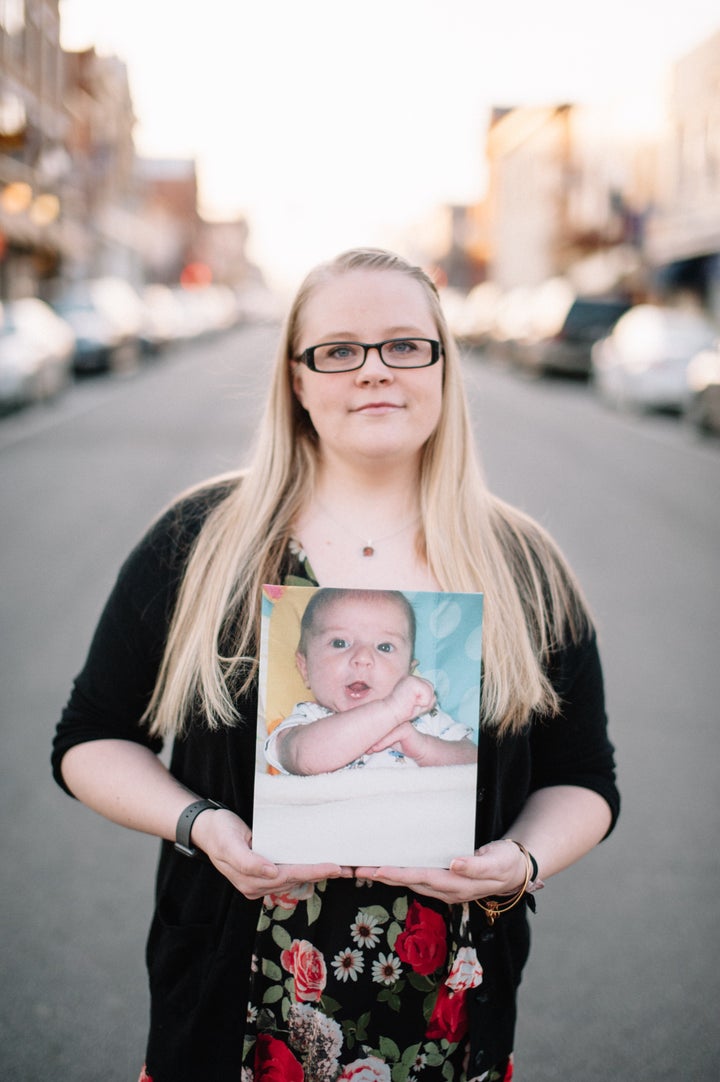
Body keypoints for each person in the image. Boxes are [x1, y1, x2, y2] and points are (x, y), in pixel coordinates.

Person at [52, 247, 619, 1082]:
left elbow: (582, 781)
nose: (374, 372)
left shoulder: (522, 564)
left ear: (442, 365)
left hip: (447, 1019)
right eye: (339, 350)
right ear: (298, 378)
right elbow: (90, 739)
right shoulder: (202, 540)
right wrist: (201, 826)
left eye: (404, 345)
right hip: (229, 1012)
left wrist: (522, 862)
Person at [264, 586, 477, 774]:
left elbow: (473, 762)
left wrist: (425, 749)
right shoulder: (306, 720)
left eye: (384, 647)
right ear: (305, 669)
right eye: (340, 643)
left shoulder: (425, 717)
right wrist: (391, 710)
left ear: (409, 673)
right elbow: (303, 757)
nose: (363, 658)